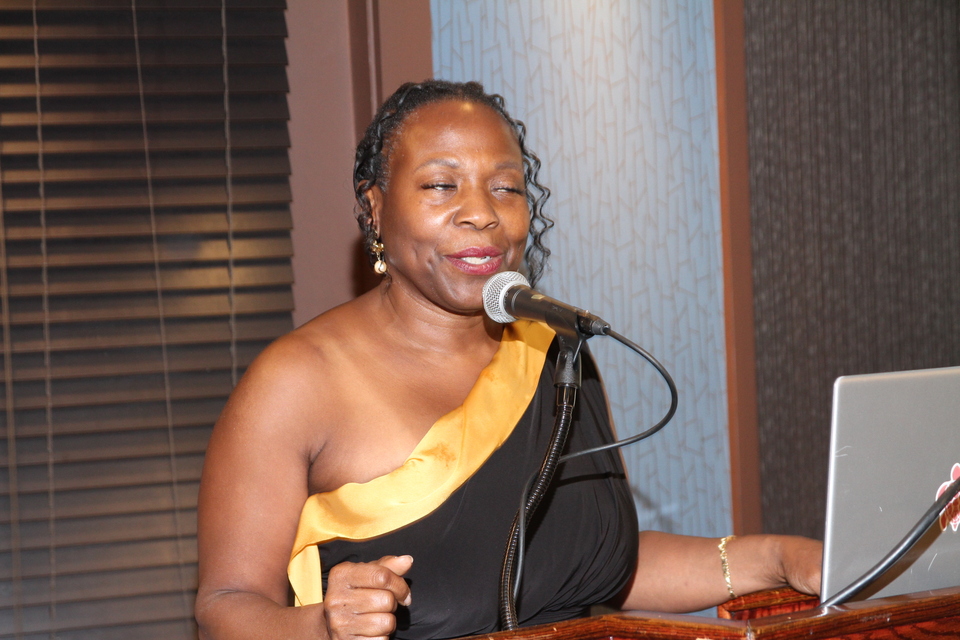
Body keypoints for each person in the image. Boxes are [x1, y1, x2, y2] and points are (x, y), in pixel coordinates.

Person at [194, 80, 822, 640]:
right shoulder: (296, 380)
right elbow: (225, 607)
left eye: (506, 188)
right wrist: (323, 627)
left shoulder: (553, 348)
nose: (482, 214)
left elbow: (595, 566)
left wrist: (777, 558)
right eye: (441, 185)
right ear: (376, 206)